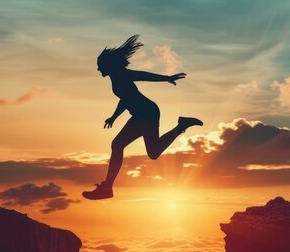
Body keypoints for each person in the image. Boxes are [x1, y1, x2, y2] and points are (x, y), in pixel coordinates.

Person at [82, 35, 203, 200]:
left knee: (117, 145)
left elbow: (144, 76)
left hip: (146, 113)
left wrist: (167, 78)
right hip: (143, 113)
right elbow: (125, 100)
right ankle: (182, 125)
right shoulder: (116, 78)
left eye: (99, 66)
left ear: (107, 65)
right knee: (152, 153)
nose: (98, 69)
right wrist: (113, 117)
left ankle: (107, 188)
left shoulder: (122, 75)